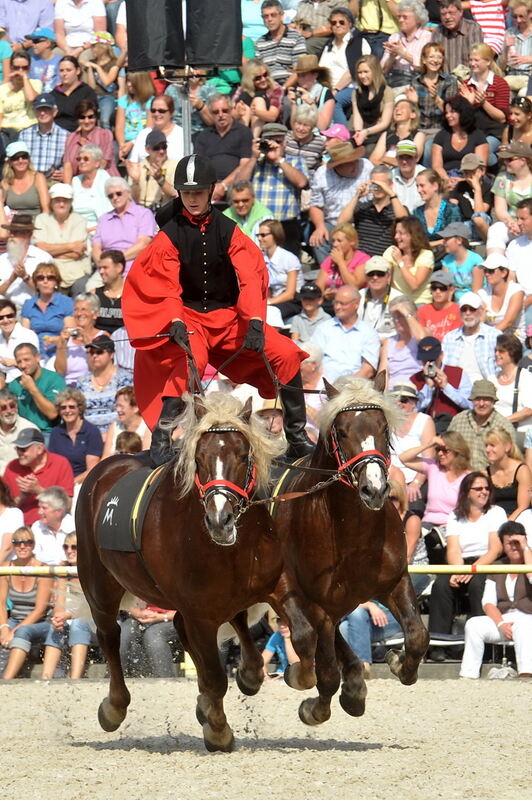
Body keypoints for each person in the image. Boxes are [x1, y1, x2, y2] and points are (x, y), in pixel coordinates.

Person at [122, 154, 314, 465]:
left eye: (198, 192)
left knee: (287, 353)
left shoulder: (229, 229)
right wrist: (174, 320)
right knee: (192, 359)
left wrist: (254, 319)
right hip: (190, 320)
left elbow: (251, 275)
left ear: (211, 190)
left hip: (229, 320)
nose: (193, 199)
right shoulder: (169, 236)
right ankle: (162, 436)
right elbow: (165, 284)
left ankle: (296, 436)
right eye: (187, 193)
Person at [427, 471, 505, 658]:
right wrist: (458, 570)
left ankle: (482, 646)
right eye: (478, 488)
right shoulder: (455, 515)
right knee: (441, 586)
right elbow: (453, 549)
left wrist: (472, 570)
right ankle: (438, 644)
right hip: (462, 563)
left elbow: (495, 549)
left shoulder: (496, 512)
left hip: (488, 562)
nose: (484, 492)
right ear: (467, 492)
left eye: (487, 488)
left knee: (479, 585)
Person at [459, 520, 532, 680]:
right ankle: (468, 675)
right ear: (503, 545)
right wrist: (500, 623)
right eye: (509, 543)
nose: (514, 546)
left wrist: (526, 548)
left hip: (528, 618)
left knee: (525, 626)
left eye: (517, 542)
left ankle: (526, 673)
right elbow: (488, 602)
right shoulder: (497, 566)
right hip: (505, 619)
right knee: (473, 624)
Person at [398, 430, 471, 565]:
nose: (440, 454)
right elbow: (403, 458)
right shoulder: (434, 467)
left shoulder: (468, 477)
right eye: (438, 450)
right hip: (428, 525)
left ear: (457, 451)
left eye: (445, 450)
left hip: (453, 526)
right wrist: (428, 444)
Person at [238, 122, 309, 255]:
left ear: (285, 143)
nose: (273, 145)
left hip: (286, 226)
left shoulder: (296, 161)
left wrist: (279, 160)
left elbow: (301, 183)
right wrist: (254, 157)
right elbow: (239, 185)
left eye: (277, 141)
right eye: (269, 141)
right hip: (259, 226)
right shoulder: (255, 164)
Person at [40, 531, 98, 679]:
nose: (69, 551)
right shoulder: (63, 571)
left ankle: (75, 678)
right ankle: (46, 677)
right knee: (56, 626)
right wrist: (58, 617)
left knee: (78, 624)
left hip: (94, 620)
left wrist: (68, 615)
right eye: (66, 547)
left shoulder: (93, 570)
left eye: (74, 547)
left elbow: (94, 605)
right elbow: (59, 605)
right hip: (71, 619)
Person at [0, 525, 53, 679]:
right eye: (17, 542)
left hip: (40, 622)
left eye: (27, 542)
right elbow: (1, 603)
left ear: (33, 544)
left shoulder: (43, 569)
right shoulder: (6, 568)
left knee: (22, 632)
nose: (22, 546)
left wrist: (12, 631)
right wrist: (4, 628)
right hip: (14, 619)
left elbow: (40, 610)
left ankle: (6, 681)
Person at [309, 140, 372, 264]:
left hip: (362, 221)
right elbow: (316, 205)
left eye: (355, 160)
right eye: (349, 163)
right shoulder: (322, 175)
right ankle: (329, 273)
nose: (355, 165)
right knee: (319, 239)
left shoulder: (366, 166)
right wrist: (319, 226)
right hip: (333, 223)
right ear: (337, 165)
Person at [310, 284, 381, 382]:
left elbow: (368, 370)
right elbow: (312, 361)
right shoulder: (323, 329)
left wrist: (345, 388)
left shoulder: (368, 332)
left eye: (342, 303)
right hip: (323, 388)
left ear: (356, 304)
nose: (338, 307)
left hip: (354, 389)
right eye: (336, 303)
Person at [2, 428, 74, 524]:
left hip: (51, 526)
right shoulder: (12, 467)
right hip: (18, 529)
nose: (19, 453)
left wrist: (38, 490)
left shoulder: (60, 464)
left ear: (40, 449)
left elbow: (67, 505)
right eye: (17, 448)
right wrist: (22, 497)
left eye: (23, 449)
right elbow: (4, 509)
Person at [194, 94, 253, 204]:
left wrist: (224, 186)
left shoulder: (244, 132)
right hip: (209, 189)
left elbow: (245, 165)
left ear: (231, 110)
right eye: (216, 112)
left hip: (236, 188)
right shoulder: (203, 136)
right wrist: (212, 188)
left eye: (225, 110)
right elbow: (199, 168)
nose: (221, 115)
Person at [338, 164, 408, 256]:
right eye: (374, 185)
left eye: (381, 184)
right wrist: (357, 196)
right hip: (361, 259)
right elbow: (341, 222)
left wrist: (391, 194)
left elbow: (405, 221)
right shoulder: (362, 207)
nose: (378, 188)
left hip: (385, 260)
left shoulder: (398, 208)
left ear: (390, 185)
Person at [91, 177, 156, 276]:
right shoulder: (103, 219)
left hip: (134, 268)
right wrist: (105, 265)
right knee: (88, 288)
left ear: (128, 192)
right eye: (110, 196)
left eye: (118, 193)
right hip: (104, 272)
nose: (115, 197)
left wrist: (115, 262)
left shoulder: (143, 214)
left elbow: (143, 244)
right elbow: (96, 248)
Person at [404, 43, 458, 161]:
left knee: (429, 148)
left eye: (439, 57)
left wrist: (437, 99)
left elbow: (452, 112)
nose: (435, 60)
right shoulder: (416, 82)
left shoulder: (449, 81)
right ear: (424, 60)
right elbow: (413, 114)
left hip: (440, 128)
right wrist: (413, 103)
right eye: (431, 57)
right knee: (410, 149)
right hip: (420, 128)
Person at [448, 379, 517, 470]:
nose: (481, 404)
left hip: (491, 478)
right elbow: (447, 449)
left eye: (486, 399)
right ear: (472, 400)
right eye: (477, 399)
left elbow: (511, 460)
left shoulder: (504, 426)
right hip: (460, 476)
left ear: (493, 401)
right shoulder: (459, 420)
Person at [34, 182, 90, 294]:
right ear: (51, 202)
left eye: (65, 201)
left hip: (77, 271)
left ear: (71, 202)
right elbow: (40, 249)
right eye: (57, 200)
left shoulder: (80, 220)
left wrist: (50, 250)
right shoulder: (42, 219)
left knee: (82, 288)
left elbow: (77, 253)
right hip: (50, 273)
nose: (61, 204)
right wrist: (71, 246)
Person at [74, 334, 131, 439]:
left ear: (111, 354)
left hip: (119, 435)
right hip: (88, 437)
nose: (94, 356)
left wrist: (109, 436)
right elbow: (78, 413)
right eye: (91, 353)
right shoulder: (82, 382)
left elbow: (129, 411)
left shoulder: (125, 379)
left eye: (99, 352)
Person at [411, 334, 472, 430]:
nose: (428, 363)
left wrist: (446, 386)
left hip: (453, 427)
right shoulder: (415, 379)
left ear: (441, 355)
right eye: (425, 360)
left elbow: (469, 405)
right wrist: (428, 388)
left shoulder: (458, 373)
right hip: (424, 429)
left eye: (432, 360)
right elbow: (413, 409)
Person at [459, 44, 510, 160]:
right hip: (471, 131)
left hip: (494, 133)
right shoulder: (466, 84)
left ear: (488, 62)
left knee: (480, 151)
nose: (472, 64)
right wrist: (468, 104)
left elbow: (502, 118)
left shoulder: (499, 83)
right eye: (471, 60)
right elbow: (460, 117)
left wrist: (483, 103)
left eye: (476, 60)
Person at [2, 341, 65, 434]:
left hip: (47, 432)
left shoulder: (54, 379)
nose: (23, 365)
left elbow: (53, 414)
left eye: (26, 360)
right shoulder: (14, 384)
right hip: (21, 434)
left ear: (37, 357)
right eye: (19, 361)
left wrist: (32, 389)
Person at [431, 95, 489, 189]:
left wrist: (463, 181)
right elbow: (437, 166)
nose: (448, 116)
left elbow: (480, 168)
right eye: (446, 112)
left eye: (452, 112)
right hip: (447, 179)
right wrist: (447, 180)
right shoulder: (441, 136)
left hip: (471, 178)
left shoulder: (478, 136)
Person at [442, 291, 500, 382]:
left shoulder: (495, 336)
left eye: (472, 309)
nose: (468, 313)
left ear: (481, 311)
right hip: (455, 391)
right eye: (464, 309)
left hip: (485, 391)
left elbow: (501, 369)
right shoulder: (449, 338)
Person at [20, 261, 73, 360]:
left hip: (59, 352)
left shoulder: (66, 302)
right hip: (35, 354)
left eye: (50, 278)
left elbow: (70, 331)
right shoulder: (28, 304)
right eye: (40, 278)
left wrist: (57, 340)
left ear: (56, 282)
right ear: (36, 283)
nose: (45, 281)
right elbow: (25, 335)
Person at [48, 388, 103, 484]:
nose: (67, 411)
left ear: (80, 409)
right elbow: (53, 465)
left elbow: (92, 469)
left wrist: (71, 484)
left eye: (72, 407)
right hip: (59, 482)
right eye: (63, 407)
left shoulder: (91, 432)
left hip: (84, 483)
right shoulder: (56, 432)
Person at [488, 141, 532, 254]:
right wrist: (512, 223)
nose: (506, 162)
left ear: (523, 160)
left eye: (509, 159)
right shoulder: (503, 178)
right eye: (504, 160)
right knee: (496, 229)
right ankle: (496, 264)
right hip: (512, 224)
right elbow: (500, 209)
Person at [0, 213, 52, 309]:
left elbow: (48, 291)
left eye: (17, 232)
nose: (12, 235)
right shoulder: (2, 260)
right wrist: (11, 279)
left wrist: (26, 277)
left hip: (36, 309)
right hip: (7, 312)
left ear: (29, 235)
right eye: (11, 231)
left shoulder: (43, 258)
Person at [52, 293, 106, 384]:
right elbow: (60, 371)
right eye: (76, 310)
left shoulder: (103, 337)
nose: (79, 313)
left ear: (95, 314)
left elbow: (97, 369)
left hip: (92, 385)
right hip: (68, 386)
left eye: (84, 309)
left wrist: (88, 344)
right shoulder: (68, 337)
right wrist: (62, 345)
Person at [127, 94, 184, 180]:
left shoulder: (181, 134)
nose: (157, 114)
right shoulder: (143, 134)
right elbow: (134, 162)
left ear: (171, 112)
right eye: (153, 110)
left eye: (161, 111)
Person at [62, 98, 118, 182]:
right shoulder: (71, 138)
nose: (86, 121)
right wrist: (68, 189)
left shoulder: (105, 135)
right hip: (79, 182)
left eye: (91, 117)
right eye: (82, 117)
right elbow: (67, 165)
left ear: (96, 118)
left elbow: (103, 163)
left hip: (105, 181)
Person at [119, 600, 180, 678]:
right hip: (137, 616)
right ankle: (114, 680)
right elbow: (123, 598)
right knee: (122, 635)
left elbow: (190, 608)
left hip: (173, 619)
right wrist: (136, 612)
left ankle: (164, 679)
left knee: (153, 635)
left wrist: (161, 617)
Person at [381, 0, 432, 92]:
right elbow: (383, 70)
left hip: (418, 84)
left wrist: (403, 53)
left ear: (417, 19)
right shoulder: (394, 37)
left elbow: (427, 66)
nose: (400, 20)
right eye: (399, 17)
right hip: (394, 82)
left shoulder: (427, 38)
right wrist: (392, 57)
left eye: (405, 17)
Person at [258, 218, 303, 321]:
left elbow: (290, 293)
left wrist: (268, 302)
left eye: (263, 235)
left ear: (275, 235)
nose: (260, 238)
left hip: (293, 301)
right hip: (273, 299)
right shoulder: (262, 258)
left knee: (270, 314)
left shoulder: (289, 258)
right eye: (258, 235)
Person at [383, 215, 435, 305]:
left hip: (419, 303)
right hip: (397, 301)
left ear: (412, 235)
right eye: (395, 233)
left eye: (401, 233)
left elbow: (414, 285)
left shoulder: (425, 255)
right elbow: (385, 281)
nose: (396, 237)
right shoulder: (391, 251)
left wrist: (400, 262)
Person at [488, 334, 532, 440]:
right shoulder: (492, 378)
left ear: (512, 353)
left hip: (521, 434)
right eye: (495, 351)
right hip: (496, 434)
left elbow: (529, 410)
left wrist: (503, 420)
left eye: (501, 351)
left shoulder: (526, 377)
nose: (497, 354)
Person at [255, 0, 307, 86]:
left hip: (291, 87)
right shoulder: (259, 43)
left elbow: (298, 70)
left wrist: (283, 89)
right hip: (268, 87)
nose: (269, 19)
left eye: (273, 15)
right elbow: (258, 73)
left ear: (282, 15)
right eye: (266, 16)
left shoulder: (296, 38)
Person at [378, 295, 426, 386]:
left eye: (400, 316)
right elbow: (383, 375)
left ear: (413, 315)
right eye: (394, 316)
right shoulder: (389, 342)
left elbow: (423, 339)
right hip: (393, 393)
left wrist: (405, 311)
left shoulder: (423, 333)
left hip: (415, 391)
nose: (396, 320)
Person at [351, 55, 394, 156]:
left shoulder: (387, 92)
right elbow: (357, 117)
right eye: (360, 73)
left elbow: (385, 123)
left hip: (380, 134)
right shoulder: (356, 93)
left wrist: (366, 132)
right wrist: (358, 132)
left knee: (368, 151)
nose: (362, 76)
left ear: (375, 71)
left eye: (366, 72)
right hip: (363, 133)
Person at [485, 427, 532, 519]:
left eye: (492, 445)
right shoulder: (486, 473)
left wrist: (507, 523)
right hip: (494, 520)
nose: (487, 449)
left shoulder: (522, 470)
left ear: (507, 446)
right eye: (486, 445)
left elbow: (523, 506)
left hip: (519, 519)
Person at [19, 93, 68, 180]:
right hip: (30, 180)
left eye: (46, 109)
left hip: (54, 181)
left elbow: (69, 163)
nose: (42, 113)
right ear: (34, 112)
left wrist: (64, 172)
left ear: (55, 112)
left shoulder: (66, 136)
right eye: (39, 109)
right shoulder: (24, 135)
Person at [477, 253, 525, 341]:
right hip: (490, 341)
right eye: (485, 270)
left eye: (491, 270)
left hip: (514, 342)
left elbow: (508, 322)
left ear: (504, 272)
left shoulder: (516, 291)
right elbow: (479, 321)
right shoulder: (482, 293)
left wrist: (486, 337)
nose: (487, 274)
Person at [315, 222, 370, 299]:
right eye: (333, 241)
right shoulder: (329, 260)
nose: (335, 244)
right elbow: (317, 290)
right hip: (330, 303)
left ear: (352, 242)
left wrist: (341, 263)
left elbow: (355, 285)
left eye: (339, 241)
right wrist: (325, 294)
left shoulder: (363, 259)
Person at [79, 31, 121, 131]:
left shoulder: (114, 63)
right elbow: (92, 86)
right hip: (94, 95)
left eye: (95, 46)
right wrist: (89, 68)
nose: (92, 49)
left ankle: (108, 142)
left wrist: (97, 67)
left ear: (103, 47)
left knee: (104, 120)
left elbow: (107, 82)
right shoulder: (92, 63)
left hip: (109, 96)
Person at [413, 169, 462, 252]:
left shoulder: (451, 210)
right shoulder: (417, 212)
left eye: (422, 186)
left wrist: (427, 245)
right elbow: (415, 242)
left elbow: (453, 239)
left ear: (435, 186)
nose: (419, 190)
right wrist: (439, 242)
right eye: (417, 186)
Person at [448, 154, 493, 244]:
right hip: (465, 224)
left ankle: (490, 242)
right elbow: (452, 206)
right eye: (465, 172)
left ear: (482, 171)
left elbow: (480, 213)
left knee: (478, 218)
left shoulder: (487, 188)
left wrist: (477, 189)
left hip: (482, 225)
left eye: (472, 171)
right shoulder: (460, 186)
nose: (468, 175)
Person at [129, 129, 177, 212]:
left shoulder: (174, 166)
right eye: (156, 148)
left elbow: (174, 194)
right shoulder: (138, 167)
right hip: (142, 213)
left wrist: (160, 180)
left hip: (165, 213)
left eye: (164, 147)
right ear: (147, 149)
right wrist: (136, 182)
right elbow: (133, 201)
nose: (161, 151)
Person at [232, 59, 283, 137]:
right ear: (250, 79)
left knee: (258, 101)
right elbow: (231, 114)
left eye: (265, 75)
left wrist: (256, 112)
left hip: (267, 125)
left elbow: (273, 116)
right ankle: (244, 139)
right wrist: (238, 113)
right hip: (245, 124)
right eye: (258, 78)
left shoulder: (275, 88)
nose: (263, 79)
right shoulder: (242, 89)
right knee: (243, 105)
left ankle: (254, 139)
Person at [431, 0, 483, 73]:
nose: (447, 17)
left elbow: (479, 60)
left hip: (469, 80)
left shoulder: (473, 29)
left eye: (451, 13)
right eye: (443, 14)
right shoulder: (437, 32)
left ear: (461, 12)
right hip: (444, 81)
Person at [1, 139, 49, 218]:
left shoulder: (38, 178)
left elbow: (46, 210)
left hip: (35, 225)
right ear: (9, 162)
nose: (21, 161)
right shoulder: (6, 182)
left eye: (24, 157)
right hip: (12, 226)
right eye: (16, 158)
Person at [50, 56, 98, 133]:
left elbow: (90, 118)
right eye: (61, 71)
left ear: (77, 71)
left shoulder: (87, 92)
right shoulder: (53, 94)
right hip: (56, 136)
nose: (64, 74)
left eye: (68, 70)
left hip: (80, 134)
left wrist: (73, 137)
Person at [287, 54, 334, 131]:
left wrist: (311, 104)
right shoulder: (298, 94)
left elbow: (323, 127)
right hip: (302, 135)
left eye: (304, 75)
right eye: (299, 75)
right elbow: (294, 126)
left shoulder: (326, 93)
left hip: (321, 137)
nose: (300, 79)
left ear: (315, 75)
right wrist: (293, 104)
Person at [115, 70, 155, 162]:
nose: (129, 84)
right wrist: (122, 145)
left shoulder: (151, 101)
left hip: (143, 141)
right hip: (125, 142)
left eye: (132, 82)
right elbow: (119, 127)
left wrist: (133, 143)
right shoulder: (123, 101)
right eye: (128, 81)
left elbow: (149, 128)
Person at [358, 255, 402, 338]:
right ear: (366, 277)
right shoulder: (358, 296)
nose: (375, 277)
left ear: (388, 276)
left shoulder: (399, 299)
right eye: (371, 274)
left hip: (389, 346)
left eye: (380, 274)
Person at [71, 143, 111, 232]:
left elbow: (107, 215)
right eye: (79, 159)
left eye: (86, 159)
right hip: (76, 229)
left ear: (97, 163)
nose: (81, 161)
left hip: (99, 230)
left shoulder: (105, 180)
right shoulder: (75, 181)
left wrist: (88, 230)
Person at [101, 385, 151, 458]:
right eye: (117, 406)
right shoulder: (115, 426)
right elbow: (105, 457)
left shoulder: (147, 427)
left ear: (136, 408)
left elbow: (146, 458)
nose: (118, 410)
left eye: (121, 406)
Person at [371, 104, 424, 170]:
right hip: (386, 173)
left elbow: (412, 160)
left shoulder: (418, 135)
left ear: (412, 114)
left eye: (402, 107)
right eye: (395, 107)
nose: (397, 109)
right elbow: (373, 159)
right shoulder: (386, 135)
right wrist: (386, 166)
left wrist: (384, 158)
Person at [0, 51, 41, 136]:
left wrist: (25, 78)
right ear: (11, 68)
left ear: (29, 69)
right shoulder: (2, 89)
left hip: (29, 130)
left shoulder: (36, 84)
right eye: (16, 68)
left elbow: (31, 98)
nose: (20, 71)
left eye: (24, 68)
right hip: (7, 132)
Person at [31, 486, 75, 564]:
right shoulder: (36, 527)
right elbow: (33, 558)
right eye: (39, 507)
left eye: (44, 508)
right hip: (42, 574)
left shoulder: (74, 526)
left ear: (58, 512)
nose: (39, 512)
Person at [222, 179, 274, 245]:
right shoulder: (224, 218)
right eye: (236, 201)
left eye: (245, 200)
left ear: (253, 198)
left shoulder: (266, 217)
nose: (241, 205)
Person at [0, 388, 39, 475]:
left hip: (21, 480)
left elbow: (38, 464)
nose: (9, 411)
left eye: (12, 406)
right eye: (3, 408)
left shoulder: (30, 430)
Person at [0, 298, 39, 383]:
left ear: (15, 316)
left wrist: (14, 362)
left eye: (10, 316)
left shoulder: (28, 335)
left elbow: (35, 364)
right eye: (1, 318)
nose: (6, 320)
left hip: (25, 381)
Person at [506, 199, 532, 321]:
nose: (519, 223)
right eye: (517, 218)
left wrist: (526, 302)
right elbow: (511, 278)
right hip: (519, 300)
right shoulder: (514, 245)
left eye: (523, 218)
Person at [417, 268, 461, 341]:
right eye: (434, 288)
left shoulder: (458, 311)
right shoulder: (422, 311)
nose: (437, 291)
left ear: (451, 290)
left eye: (442, 288)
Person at [500, 2, 532, 95]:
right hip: (512, 76)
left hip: (529, 77)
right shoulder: (509, 33)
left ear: (530, 13)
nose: (518, 20)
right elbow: (501, 66)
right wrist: (506, 49)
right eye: (515, 16)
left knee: (523, 94)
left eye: (521, 16)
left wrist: (527, 59)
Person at [284, 104, 326, 175]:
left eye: (305, 125)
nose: (301, 129)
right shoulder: (285, 138)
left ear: (312, 127)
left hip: (309, 182)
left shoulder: (319, 143)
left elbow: (325, 164)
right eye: (299, 123)